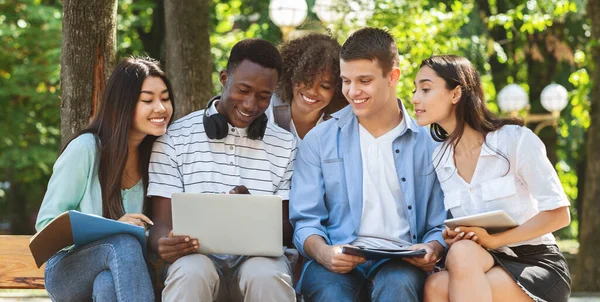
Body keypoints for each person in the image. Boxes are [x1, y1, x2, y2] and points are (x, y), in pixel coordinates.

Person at [289, 27, 446, 302]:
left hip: (402, 261)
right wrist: (324, 253)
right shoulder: (319, 140)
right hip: (335, 259)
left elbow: (441, 222)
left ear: (393, 76)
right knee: (331, 293)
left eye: (364, 80)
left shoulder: (430, 143)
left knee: (398, 287)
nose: (352, 91)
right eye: (346, 81)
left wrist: (433, 248)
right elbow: (305, 221)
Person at [411, 55, 571, 302]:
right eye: (414, 90)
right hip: (482, 259)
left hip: (536, 262)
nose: (415, 98)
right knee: (437, 282)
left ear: (456, 94)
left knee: (451, 276)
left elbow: (559, 214)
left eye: (425, 89)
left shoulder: (514, 140)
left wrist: (495, 239)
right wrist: (457, 234)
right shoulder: (440, 158)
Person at [147, 38, 297, 302]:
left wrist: (253, 214)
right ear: (224, 78)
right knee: (191, 272)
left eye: (264, 96)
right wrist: (163, 244)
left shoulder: (285, 145)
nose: (251, 104)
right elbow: (161, 224)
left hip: (259, 263)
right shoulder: (174, 138)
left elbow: (288, 229)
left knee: (266, 274)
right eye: (243, 89)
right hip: (195, 261)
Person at [35, 57, 174, 301]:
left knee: (107, 285)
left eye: (165, 98)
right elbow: (46, 225)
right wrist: (113, 227)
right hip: (68, 269)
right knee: (123, 242)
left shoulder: (158, 156)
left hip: (124, 273)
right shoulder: (86, 149)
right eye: (148, 100)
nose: (161, 108)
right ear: (123, 104)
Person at [267, 33, 346, 141]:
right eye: (306, 80)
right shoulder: (266, 109)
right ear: (291, 75)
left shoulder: (340, 126)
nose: (312, 91)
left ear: (338, 89)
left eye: (324, 86)